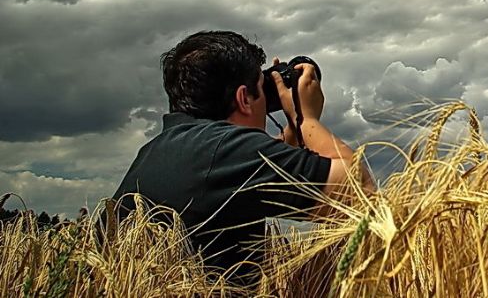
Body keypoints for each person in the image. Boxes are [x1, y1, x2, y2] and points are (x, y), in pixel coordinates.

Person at [112, 30, 372, 283]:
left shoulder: (157, 151)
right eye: (262, 88)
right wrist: (306, 117)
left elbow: (262, 167)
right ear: (243, 99)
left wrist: (293, 130)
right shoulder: (226, 149)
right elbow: (362, 194)